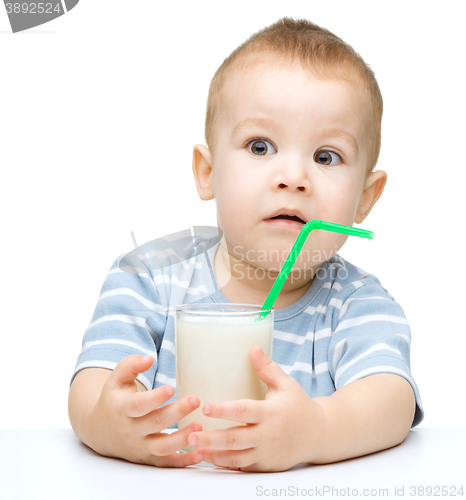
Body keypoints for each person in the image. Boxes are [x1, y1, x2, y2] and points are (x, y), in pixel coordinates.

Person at [68, 17, 424, 472]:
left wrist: (318, 430)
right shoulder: (148, 277)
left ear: (366, 197)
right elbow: (92, 383)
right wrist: (105, 421)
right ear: (207, 173)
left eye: (326, 156)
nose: (292, 178)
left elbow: (392, 401)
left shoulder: (357, 305)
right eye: (260, 146)